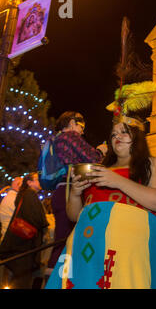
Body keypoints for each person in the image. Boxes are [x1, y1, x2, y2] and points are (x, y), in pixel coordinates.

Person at [45, 110, 156, 289]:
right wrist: (75, 193)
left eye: (123, 132)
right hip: (86, 246)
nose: (116, 137)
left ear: (137, 136)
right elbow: (74, 216)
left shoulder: (152, 164)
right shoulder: (98, 168)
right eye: (113, 134)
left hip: (126, 250)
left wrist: (118, 182)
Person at [47, 111, 108, 272]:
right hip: (69, 191)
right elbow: (93, 159)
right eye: (81, 126)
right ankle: (59, 279)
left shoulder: (57, 139)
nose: (82, 131)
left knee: (62, 238)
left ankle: (54, 276)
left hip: (60, 191)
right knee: (67, 240)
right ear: (72, 122)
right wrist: (101, 150)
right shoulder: (70, 137)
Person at [0, 173, 49, 289]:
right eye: (37, 179)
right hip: (24, 244)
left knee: (17, 279)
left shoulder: (23, 195)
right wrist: (45, 222)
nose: (40, 182)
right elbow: (36, 217)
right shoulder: (29, 195)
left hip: (18, 243)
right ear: (29, 182)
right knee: (22, 280)